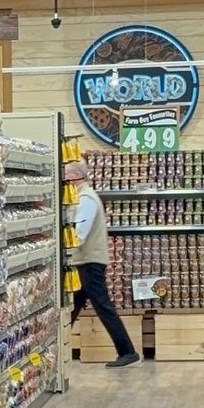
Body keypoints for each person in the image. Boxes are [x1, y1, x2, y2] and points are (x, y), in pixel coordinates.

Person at [68, 155, 139, 368]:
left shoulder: (86, 198)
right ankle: (56, 348)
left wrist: (63, 243)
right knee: (72, 306)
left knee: (103, 306)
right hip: (83, 261)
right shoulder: (80, 197)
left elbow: (79, 233)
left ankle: (128, 351)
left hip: (89, 261)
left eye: (66, 176)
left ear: (76, 177)